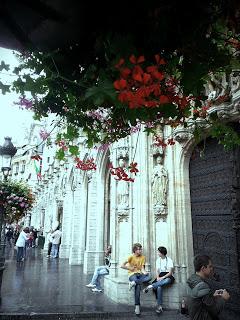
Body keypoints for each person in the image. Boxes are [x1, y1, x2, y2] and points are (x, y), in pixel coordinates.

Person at [187, 255, 230, 320]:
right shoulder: (201, 285)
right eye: (210, 266)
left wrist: (212, 296)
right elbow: (214, 310)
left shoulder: (192, 279)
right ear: (203, 268)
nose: (212, 269)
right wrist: (223, 298)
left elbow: (201, 301)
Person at [121, 243, 151, 316]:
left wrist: (145, 272)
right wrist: (130, 268)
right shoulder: (131, 256)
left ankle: (133, 283)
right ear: (135, 250)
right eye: (139, 249)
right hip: (132, 274)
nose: (140, 250)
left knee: (149, 277)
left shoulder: (143, 257)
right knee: (138, 287)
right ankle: (137, 306)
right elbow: (122, 265)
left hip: (139, 274)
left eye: (141, 249)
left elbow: (142, 268)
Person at [143, 246, 174, 314]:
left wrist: (162, 278)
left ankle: (150, 286)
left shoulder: (169, 260)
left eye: (158, 252)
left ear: (162, 253)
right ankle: (159, 307)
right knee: (159, 287)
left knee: (167, 280)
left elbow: (170, 273)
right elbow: (157, 271)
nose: (157, 253)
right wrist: (157, 277)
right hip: (160, 276)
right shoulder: (158, 260)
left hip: (168, 276)